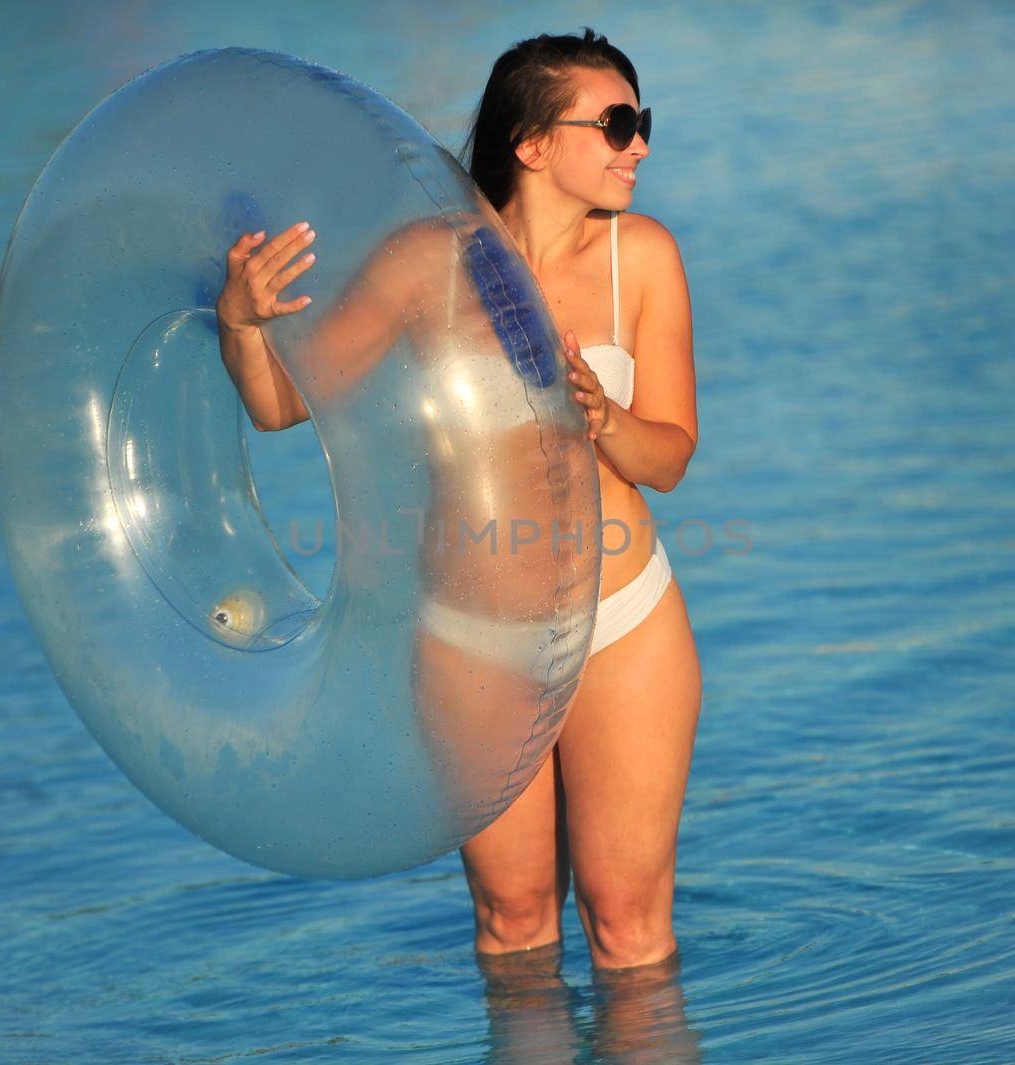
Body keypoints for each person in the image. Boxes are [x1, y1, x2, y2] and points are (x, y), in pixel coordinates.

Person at [215, 28, 701, 974]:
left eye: (641, 123)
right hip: (473, 636)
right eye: (615, 123)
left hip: (623, 625)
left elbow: (672, 457)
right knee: (515, 924)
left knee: (627, 926)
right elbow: (279, 406)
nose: (638, 143)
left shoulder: (639, 258)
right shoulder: (420, 263)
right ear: (531, 145)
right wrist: (241, 321)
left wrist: (602, 417)